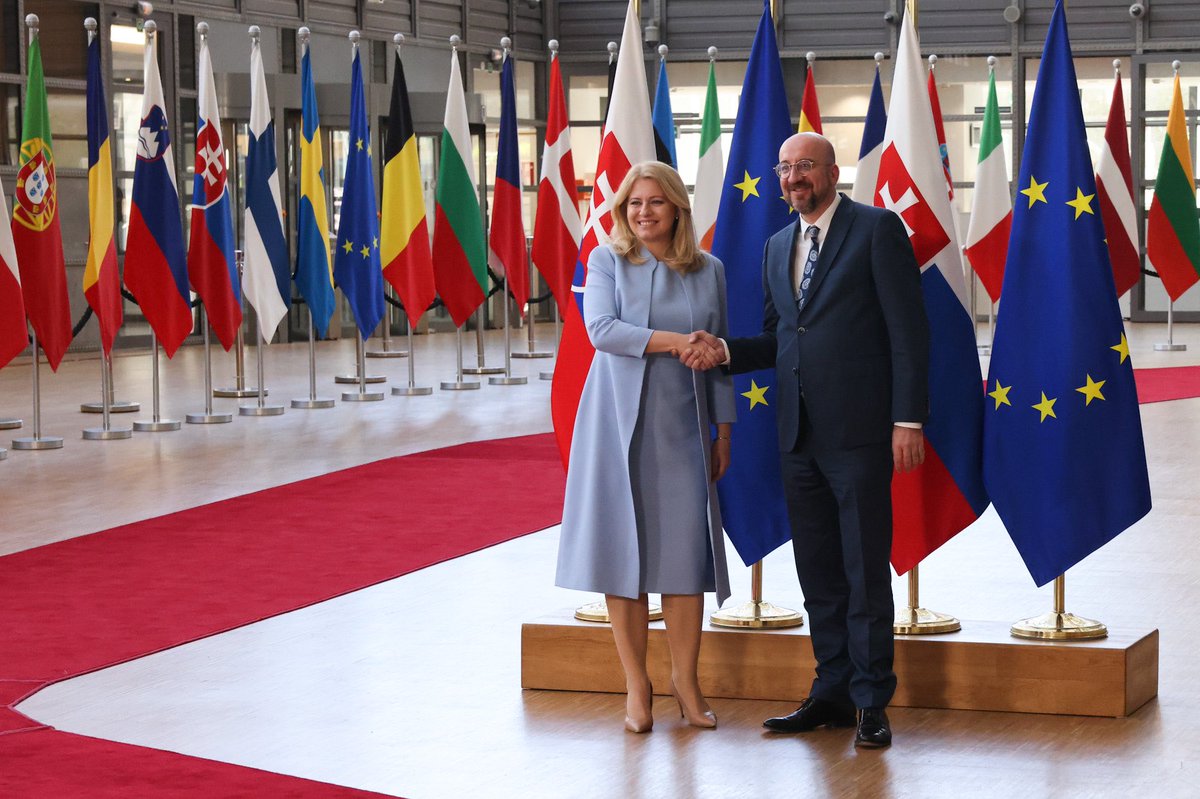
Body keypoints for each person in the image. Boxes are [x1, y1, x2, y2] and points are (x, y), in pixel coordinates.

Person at [686, 132, 929, 748]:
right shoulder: (775, 246)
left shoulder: (877, 230)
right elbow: (780, 339)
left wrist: (909, 421)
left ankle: (873, 702)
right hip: (796, 435)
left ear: (832, 171)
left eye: (805, 166)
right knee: (818, 568)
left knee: (864, 568)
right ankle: (832, 691)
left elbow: (909, 333)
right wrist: (726, 353)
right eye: (785, 166)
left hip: (862, 432)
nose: (794, 177)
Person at [556, 161, 736, 734]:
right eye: (634, 203)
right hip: (614, 424)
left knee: (684, 558)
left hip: (684, 425)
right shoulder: (607, 260)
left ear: (677, 207)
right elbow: (601, 330)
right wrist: (679, 342)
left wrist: (725, 430)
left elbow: (721, 358)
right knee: (623, 557)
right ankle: (638, 684)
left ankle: (687, 681)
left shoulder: (710, 270)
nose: (643, 213)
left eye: (655, 202)